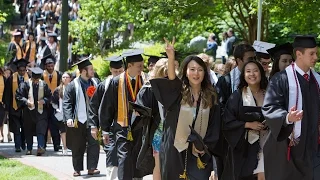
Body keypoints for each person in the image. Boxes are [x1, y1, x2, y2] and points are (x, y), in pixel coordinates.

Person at [149, 38, 221, 179]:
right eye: (192, 69)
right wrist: (171, 58)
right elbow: (171, 80)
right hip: (176, 147)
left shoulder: (210, 95)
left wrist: (203, 145)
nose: (196, 73)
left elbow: (214, 125)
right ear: (185, 71)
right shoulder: (178, 92)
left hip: (199, 149)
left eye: (200, 70)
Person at [262, 35, 320, 180]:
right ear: (299, 54)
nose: (316, 57)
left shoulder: (317, 80)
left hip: (313, 147)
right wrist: (287, 117)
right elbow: (270, 107)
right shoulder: (280, 79)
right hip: (287, 148)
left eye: (316, 53)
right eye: (311, 53)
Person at [99, 49, 146, 180]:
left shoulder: (144, 80)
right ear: (129, 66)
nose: (142, 69)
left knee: (137, 157)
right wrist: (105, 130)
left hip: (140, 127)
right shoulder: (116, 82)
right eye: (139, 66)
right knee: (124, 158)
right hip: (122, 127)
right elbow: (107, 106)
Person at [222, 60, 269, 180]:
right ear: (243, 75)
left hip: (267, 144)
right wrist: (248, 124)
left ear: (261, 73)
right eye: (248, 71)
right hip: (245, 147)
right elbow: (227, 122)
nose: (252, 74)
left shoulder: (269, 94)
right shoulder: (237, 96)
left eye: (255, 71)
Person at [214, 43, 255, 177]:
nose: (253, 62)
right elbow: (220, 111)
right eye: (250, 59)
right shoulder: (225, 82)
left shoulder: (257, 80)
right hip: (230, 140)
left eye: (255, 58)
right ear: (238, 61)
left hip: (253, 139)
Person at [63, 56, 100, 177]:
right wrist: (68, 117)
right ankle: (77, 169)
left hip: (93, 120)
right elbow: (67, 103)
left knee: (94, 143)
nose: (92, 71)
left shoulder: (96, 83)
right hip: (78, 120)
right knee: (78, 145)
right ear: (84, 71)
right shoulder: (72, 86)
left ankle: (92, 168)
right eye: (91, 69)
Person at [88, 55, 124, 180]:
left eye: (120, 71)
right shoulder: (103, 86)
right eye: (115, 72)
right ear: (110, 70)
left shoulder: (128, 84)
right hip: (109, 127)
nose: (118, 74)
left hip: (126, 126)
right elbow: (93, 106)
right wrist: (94, 126)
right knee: (112, 154)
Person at [133, 58, 169, 180]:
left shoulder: (176, 87)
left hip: (173, 130)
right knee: (159, 163)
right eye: (163, 76)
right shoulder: (148, 88)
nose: (166, 79)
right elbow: (140, 108)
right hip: (158, 130)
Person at [15, 67, 52, 156]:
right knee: (28, 130)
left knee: (41, 129)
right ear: (32, 78)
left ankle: (40, 147)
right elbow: (18, 96)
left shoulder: (44, 84)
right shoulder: (25, 84)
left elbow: (49, 96)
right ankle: (29, 148)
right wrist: (26, 101)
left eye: (37, 80)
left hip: (41, 112)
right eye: (35, 80)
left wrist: (44, 101)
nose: (36, 81)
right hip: (28, 111)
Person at [4, 59, 29, 151]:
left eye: (24, 70)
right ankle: (17, 146)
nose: (22, 72)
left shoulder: (29, 77)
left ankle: (23, 143)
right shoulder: (11, 79)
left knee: (24, 127)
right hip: (14, 107)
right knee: (16, 128)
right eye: (20, 70)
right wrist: (7, 107)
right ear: (17, 69)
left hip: (26, 108)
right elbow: (7, 94)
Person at [41, 55, 62, 151]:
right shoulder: (41, 75)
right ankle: (43, 145)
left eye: (52, 65)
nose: (50, 67)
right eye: (48, 66)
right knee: (44, 125)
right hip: (44, 104)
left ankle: (57, 145)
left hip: (55, 104)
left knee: (55, 125)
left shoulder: (59, 74)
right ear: (45, 66)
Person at [51, 72, 72, 155]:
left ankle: (71, 146)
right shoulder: (58, 89)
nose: (65, 79)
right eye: (63, 77)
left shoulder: (73, 88)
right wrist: (57, 109)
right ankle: (65, 147)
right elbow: (53, 101)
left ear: (70, 78)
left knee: (71, 130)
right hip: (61, 113)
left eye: (67, 77)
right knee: (63, 130)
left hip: (71, 112)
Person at [0, 68, 6, 143]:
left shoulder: (3, 78)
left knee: (0, 118)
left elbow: (6, 91)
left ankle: (1, 134)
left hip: (1, 102)